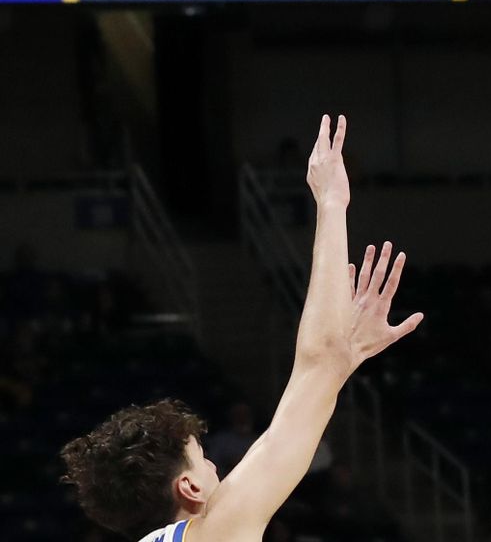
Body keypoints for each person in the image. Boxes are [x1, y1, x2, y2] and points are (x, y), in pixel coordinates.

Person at [60, 115, 424, 542]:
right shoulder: (212, 533)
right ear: (190, 488)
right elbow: (319, 359)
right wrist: (330, 202)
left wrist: (338, 365)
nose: (219, 470)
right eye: (206, 461)